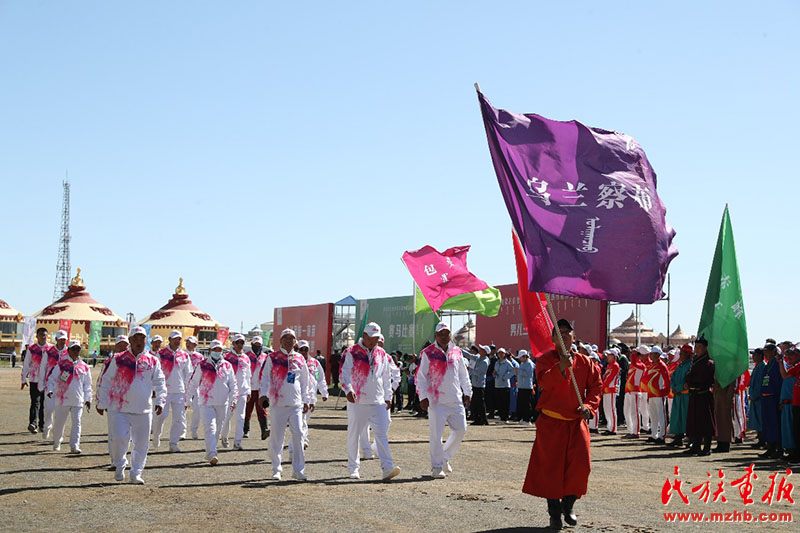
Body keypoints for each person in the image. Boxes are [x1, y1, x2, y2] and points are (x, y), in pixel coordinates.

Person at [522, 319, 602, 530]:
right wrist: (560, 367)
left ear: (574, 336)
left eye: (568, 332)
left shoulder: (586, 362)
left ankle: (569, 504)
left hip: (576, 423)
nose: (564, 335)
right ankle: (554, 513)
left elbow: (596, 387)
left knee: (581, 467)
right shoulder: (545, 360)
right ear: (553, 339)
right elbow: (544, 383)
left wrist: (589, 406)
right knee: (550, 469)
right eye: (560, 333)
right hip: (551, 422)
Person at [96, 326, 166, 484]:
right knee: (120, 438)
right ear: (130, 340)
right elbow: (106, 381)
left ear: (146, 341)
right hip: (119, 408)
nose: (139, 342)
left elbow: (160, 382)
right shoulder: (119, 359)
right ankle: (120, 464)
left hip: (143, 409)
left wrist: (161, 400)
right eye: (136, 338)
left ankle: (136, 472)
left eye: (142, 339)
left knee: (141, 443)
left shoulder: (152, 360)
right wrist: (101, 402)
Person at [340, 324, 400, 481]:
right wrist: (348, 390)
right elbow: (344, 373)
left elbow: (386, 377)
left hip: (378, 401)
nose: (374, 341)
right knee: (354, 435)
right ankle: (353, 468)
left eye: (376, 338)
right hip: (358, 401)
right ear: (364, 336)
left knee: (381, 434)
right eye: (371, 338)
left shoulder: (381, 353)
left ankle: (387, 468)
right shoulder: (351, 352)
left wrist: (388, 397)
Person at [416, 322, 472, 479]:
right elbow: (421, 377)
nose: (444, 336)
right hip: (436, 401)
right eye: (441, 333)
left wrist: (467, 392)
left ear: (450, 335)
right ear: (435, 335)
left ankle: (445, 457)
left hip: (455, 398)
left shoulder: (456, 351)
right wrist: (423, 396)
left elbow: (463, 374)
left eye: (446, 333)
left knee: (461, 430)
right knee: (436, 435)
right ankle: (436, 466)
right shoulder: (428, 352)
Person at [259, 328, 310, 481]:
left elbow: (304, 381)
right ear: (280, 341)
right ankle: (276, 468)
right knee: (277, 438)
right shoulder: (272, 357)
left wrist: (306, 399)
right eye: (285, 338)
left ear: (295, 342)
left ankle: (298, 470)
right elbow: (265, 379)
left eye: (291, 338)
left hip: (295, 404)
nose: (288, 340)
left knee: (299, 435)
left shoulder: (300, 358)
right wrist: (263, 395)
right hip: (277, 404)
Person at [185, 339, 237, 465]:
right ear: (210, 351)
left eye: (219, 350)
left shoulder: (227, 366)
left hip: (222, 403)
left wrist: (234, 399)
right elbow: (193, 383)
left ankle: (209, 452)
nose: (217, 352)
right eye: (215, 350)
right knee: (210, 428)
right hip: (206, 402)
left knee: (218, 430)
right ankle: (213, 453)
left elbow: (233, 384)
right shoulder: (202, 365)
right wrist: (187, 399)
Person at [46, 340, 92, 453]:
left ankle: (74, 445)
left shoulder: (84, 367)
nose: (76, 351)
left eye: (78, 349)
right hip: (62, 400)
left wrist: (88, 398)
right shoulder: (61, 364)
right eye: (73, 349)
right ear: (68, 350)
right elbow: (52, 379)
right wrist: (50, 390)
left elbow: (87, 385)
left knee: (77, 423)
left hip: (78, 400)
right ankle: (57, 442)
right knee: (59, 424)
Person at [152, 330, 192, 452]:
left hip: (179, 391)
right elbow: (155, 372)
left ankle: (173, 443)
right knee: (161, 416)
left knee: (178, 418)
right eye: (174, 339)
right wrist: (155, 388)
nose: (177, 341)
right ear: (169, 340)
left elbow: (188, 373)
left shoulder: (184, 355)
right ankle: (157, 434)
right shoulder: (161, 354)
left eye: (179, 339)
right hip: (164, 390)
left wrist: (186, 388)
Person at [21, 327, 59, 435]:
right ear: (36, 336)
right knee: (35, 401)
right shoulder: (32, 349)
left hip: (48, 380)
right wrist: (24, 379)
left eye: (45, 335)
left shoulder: (51, 349)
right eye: (41, 335)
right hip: (34, 379)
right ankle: (33, 423)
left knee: (45, 403)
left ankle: (42, 424)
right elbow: (26, 364)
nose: (43, 337)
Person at [98, 335, 129, 464]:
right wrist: (100, 401)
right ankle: (115, 458)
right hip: (113, 401)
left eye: (125, 345)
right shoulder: (110, 362)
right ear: (116, 347)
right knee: (114, 431)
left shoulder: (135, 361)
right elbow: (101, 381)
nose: (122, 348)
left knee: (127, 433)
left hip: (129, 401)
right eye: (120, 345)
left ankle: (121, 456)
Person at [684, 336, 715, 456]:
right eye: (695, 347)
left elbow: (703, 379)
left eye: (699, 347)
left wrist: (691, 382)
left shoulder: (708, 363)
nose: (697, 349)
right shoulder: (695, 361)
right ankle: (695, 446)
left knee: (706, 422)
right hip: (694, 395)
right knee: (694, 422)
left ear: (705, 348)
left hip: (703, 395)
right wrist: (687, 383)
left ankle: (706, 447)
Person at [296, 339, 328, 453]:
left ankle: (302, 439)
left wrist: (324, 392)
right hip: (297, 396)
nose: (304, 351)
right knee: (301, 420)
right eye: (301, 349)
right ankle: (302, 440)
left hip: (310, 396)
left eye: (306, 349)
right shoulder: (294, 362)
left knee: (305, 419)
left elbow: (320, 377)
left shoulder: (314, 363)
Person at [221, 334, 252, 451]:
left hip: (243, 392)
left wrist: (248, 390)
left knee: (241, 417)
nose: (240, 345)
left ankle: (237, 442)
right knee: (227, 416)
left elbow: (248, 375)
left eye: (242, 342)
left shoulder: (246, 358)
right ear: (233, 343)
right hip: (230, 392)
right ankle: (224, 436)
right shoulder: (226, 357)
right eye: (237, 342)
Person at [39, 330, 68, 440]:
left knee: (60, 411)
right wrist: (41, 384)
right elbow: (43, 368)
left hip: (63, 386)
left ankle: (58, 434)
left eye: (64, 340)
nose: (62, 342)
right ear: (56, 339)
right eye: (60, 339)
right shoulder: (49, 352)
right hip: (49, 384)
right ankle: (47, 427)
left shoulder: (68, 352)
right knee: (49, 409)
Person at [760, 343, 783, 459]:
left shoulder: (778, 365)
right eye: (765, 351)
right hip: (765, 398)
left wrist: (780, 400)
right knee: (767, 424)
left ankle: (778, 449)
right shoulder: (766, 366)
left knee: (775, 424)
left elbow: (780, 383)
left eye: (768, 351)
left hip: (774, 397)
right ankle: (770, 448)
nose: (766, 353)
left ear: (774, 351)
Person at [666, 344, 692, 448]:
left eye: (682, 353)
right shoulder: (680, 366)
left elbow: (688, 381)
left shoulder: (690, 365)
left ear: (688, 354)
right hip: (678, 395)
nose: (680, 355)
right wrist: (673, 388)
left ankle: (690, 438)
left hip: (686, 395)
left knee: (687, 417)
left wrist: (679, 388)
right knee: (677, 416)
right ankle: (678, 437)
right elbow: (673, 378)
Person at [244, 336, 269, 440]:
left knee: (261, 409)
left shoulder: (265, 357)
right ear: (252, 345)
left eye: (259, 345)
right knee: (247, 410)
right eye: (255, 345)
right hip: (249, 387)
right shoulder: (247, 356)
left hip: (260, 388)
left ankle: (264, 430)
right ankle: (246, 430)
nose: (257, 347)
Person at [778, 344, 800, 462]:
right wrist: (781, 363)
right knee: (796, 430)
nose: (789, 357)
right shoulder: (797, 367)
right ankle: (796, 454)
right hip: (797, 403)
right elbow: (785, 375)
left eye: (792, 355)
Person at [644, 346, 670, 444]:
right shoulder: (650, 366)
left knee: (661, 416)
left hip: (659, 394)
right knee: (653, 415)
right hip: (651, 394)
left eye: (654, 353)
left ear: (658, 355)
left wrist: (665, 392)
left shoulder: (662, 366)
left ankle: (662, 435)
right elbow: (648, 381)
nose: (651, 355)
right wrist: (648, 394)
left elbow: (667, 380)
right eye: (651, 353)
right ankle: (653, 435)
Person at [622, 347, 646, 439]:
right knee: (626, 411)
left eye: (634, 354)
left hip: (635, 391)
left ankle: (636, 432)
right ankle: (631, 430)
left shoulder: (641, 365)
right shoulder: (632, 365)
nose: (632, 355)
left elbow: (635, 361)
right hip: (628, 391)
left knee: (634, 412)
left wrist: (635, 354)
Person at [184, 335, 205, 439]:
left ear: (195, 344)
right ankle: (182, 431)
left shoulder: (200, 357)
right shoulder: (182, 355)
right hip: (184, 384)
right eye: (187, 342)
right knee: (182, 408)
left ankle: (194, 430)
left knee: (197, 408)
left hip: (196, 385)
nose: (188, 344)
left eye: (191, 343)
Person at [464, 345, 489, 425]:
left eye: (482, 349)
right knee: (475, 402)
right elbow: (470, 356)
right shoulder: (478, 357)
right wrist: (460, 350)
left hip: (479, 385)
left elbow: (478, 372)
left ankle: (483, 420)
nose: (480, 350)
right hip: (475, 384)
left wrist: (470, 369)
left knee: (480, 403)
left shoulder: (485, 361)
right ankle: (477, 419)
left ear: (485, 352)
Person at [749, 349, 766, 448]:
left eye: (755, 355)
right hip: (755, 398)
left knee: (761, 420)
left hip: (759, 398)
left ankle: (763, 440)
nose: (753, 356)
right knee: (757, 420)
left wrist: (755, 395)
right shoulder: (757, 367)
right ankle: (760, 439)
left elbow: (760, 384)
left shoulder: (762, 367)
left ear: (760, 355)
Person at [601, 349, 620, 435]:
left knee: (611, 409)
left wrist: (603, 386)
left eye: (609, 355)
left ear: (613, 356)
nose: (607, 357)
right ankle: (609, 427)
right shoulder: (609, 366)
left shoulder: (615, 365)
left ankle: (613, 428)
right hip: (606, 390)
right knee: (607, 409)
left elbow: (610, 378)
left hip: (611, 390)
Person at [493, 348, 514, 422]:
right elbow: (495, 371)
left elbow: (512, 371)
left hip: (505, 385)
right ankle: (501, 416)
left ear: (504, 354)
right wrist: (494, 373)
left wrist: (505, 377)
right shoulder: (497, 362)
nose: (500, 355)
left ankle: (505, 418)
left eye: (502, 353)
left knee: (505, 402)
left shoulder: (507, 362)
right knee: (499, 402)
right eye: (499, 353)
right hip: (497, 384)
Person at [516, 350, 535, 426]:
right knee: (522, 403)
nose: (519, 359)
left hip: (526, 386)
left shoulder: (529, 364)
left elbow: (528, 374)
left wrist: (518, 371)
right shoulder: (523, 363)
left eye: (520, 357)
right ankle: (523, 418)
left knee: (527, 404)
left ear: (524, 356)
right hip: (522, 386)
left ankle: (527, 419)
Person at [733, 368, 750, 444]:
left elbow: (746, 380)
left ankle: (739, 435)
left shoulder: (740, 366)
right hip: (738, 391)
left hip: (738, 391)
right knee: (738, 413)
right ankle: (739, 433)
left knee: (739, 413)